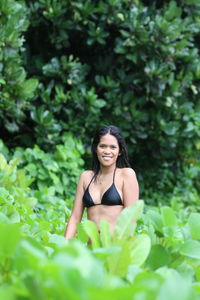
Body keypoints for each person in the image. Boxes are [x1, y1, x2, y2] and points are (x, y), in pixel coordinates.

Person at [64, 125, 139, 239]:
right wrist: (63, 246)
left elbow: (131, 220)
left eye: (113, 147)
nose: (107, 151)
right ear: (96, 148)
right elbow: (75, 217)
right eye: (103, 146)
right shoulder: (85, 177)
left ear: (119, 151)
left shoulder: (126, 175)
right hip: (91, 250)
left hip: (114, 249)